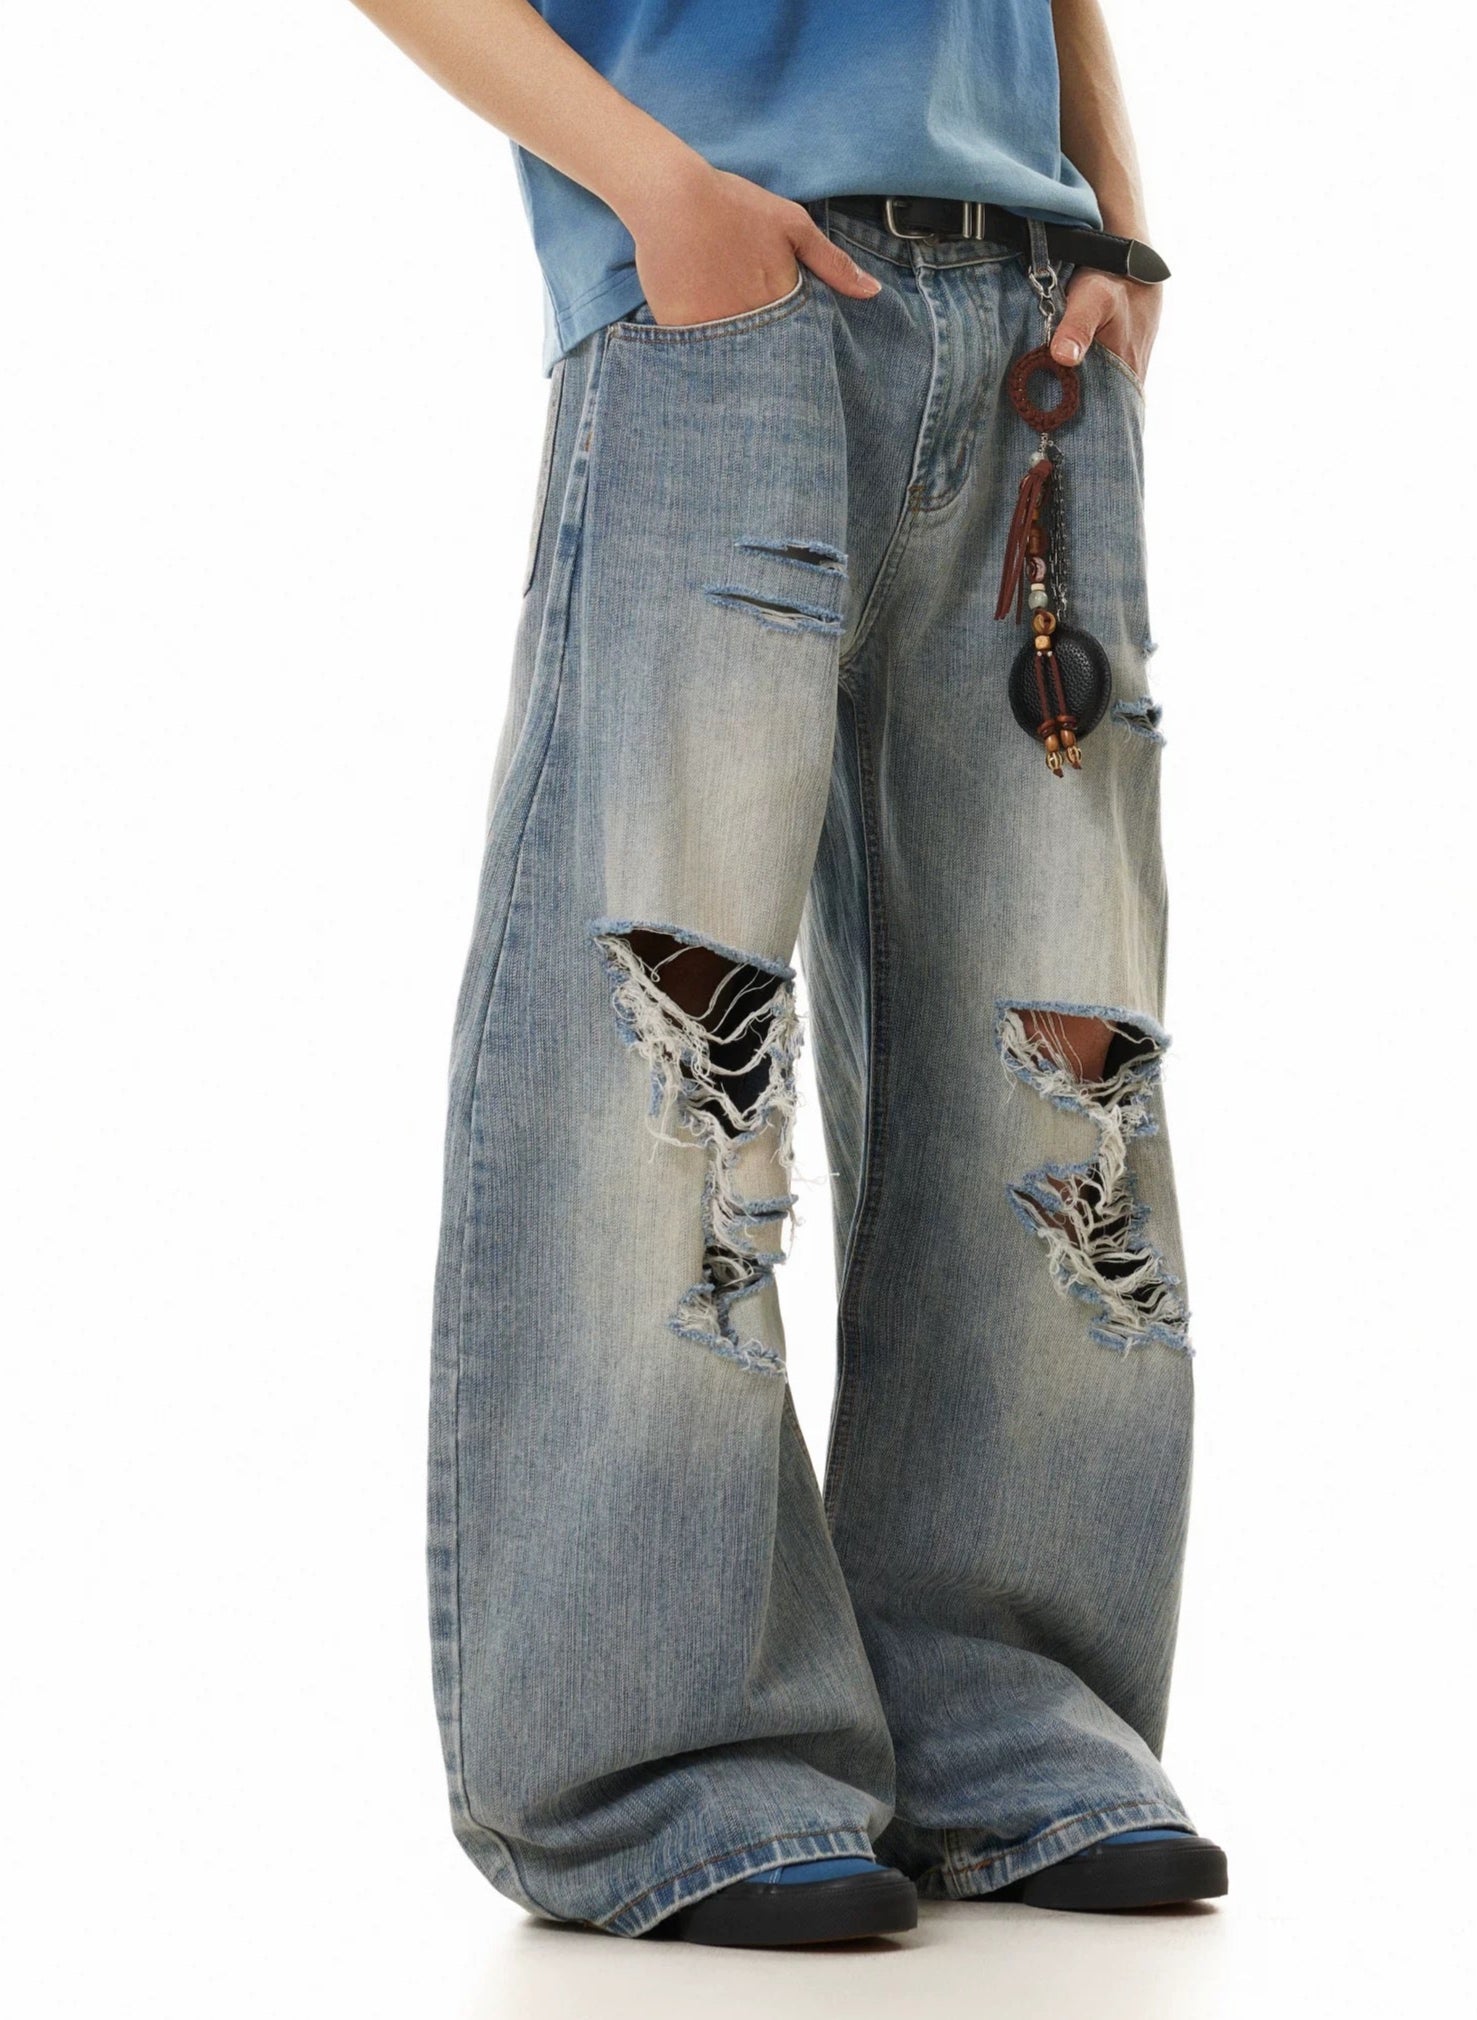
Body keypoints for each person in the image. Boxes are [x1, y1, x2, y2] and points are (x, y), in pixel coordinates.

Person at [353, 0, 1225, 1947]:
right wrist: (650, 189)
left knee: (1058, 1052)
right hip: (722, 295)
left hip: (1031, 319)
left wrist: (1109, 209)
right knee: (675, 1037)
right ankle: (658, 1756)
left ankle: (1004, 1707)